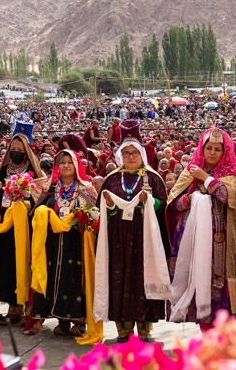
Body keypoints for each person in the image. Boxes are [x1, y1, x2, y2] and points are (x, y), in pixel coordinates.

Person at [95, 119, 170, 343]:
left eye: (134, 153)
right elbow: (101, 212)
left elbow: (164, 206)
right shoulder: (111, 180)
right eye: (126, 153)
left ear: (142, 155)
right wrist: (107, 204)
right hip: (117, 239)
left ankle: (145, 329)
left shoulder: (153, 178)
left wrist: (151, 202)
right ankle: (123, 329)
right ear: (120, 156)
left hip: (144, 238)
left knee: (141, 278)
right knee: (120, 279)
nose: (130, 157)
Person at [166, 128, 236, 331]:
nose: (213, 153)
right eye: (209, 148)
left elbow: (228, 198)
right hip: (193, 240)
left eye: (218, 149)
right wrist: (189, 199)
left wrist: (206, 179)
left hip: (221, 242)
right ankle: (206, 336)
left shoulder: (232, 175)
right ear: (202, 149)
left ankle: (228, 339)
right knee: (198, 283)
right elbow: (172, 203)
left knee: (220, 285)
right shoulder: (190, 172)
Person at [0, 121, 47, 327]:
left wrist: (24, 203)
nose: (16, 152)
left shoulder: (35, 174)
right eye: (13, 149)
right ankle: (13, 307)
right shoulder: (2, 172)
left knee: (25, 262)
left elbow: (40, 197)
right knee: (7, 265)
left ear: (27, 152)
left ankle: (30, 309)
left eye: (20, 150)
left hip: (26, 227)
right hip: (5, 228)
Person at [27, 149, 98, 337]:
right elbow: (35, 211)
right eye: (62, 162)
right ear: (57, 166)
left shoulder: (86, 188)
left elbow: (96, 214)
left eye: (69, 162)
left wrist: (86, 219)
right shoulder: (49, 188)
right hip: (54, 243)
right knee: (56, 277)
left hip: (77, 243)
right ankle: (62, 320)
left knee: (76, 278)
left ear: (76, 165)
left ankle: (80, 321)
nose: (66, 165)